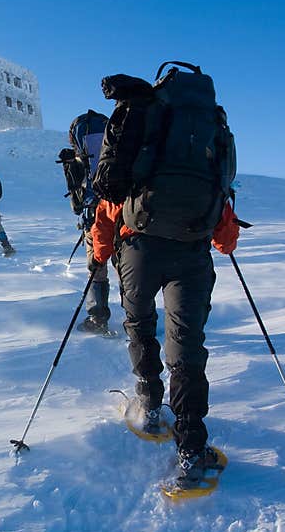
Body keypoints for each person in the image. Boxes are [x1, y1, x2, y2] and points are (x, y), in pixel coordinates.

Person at [89, 67, 241, 489]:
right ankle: (191, 449)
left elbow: (109, 200)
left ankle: (150, 404)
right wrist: (220, 238)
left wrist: (101, 254)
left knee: (139, 325)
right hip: (191, 252)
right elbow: (224, 226)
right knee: (187, 345)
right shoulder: (211, 131)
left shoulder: (145, 118)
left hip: (138, 248)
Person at [58, 109, 113, 335]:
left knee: (97, 267)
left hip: (95, 216)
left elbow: (76, 204)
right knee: (128, 268)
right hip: (123, 212)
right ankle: (137, 321)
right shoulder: (116, 147)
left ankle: (98, 318)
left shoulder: (78, 158)